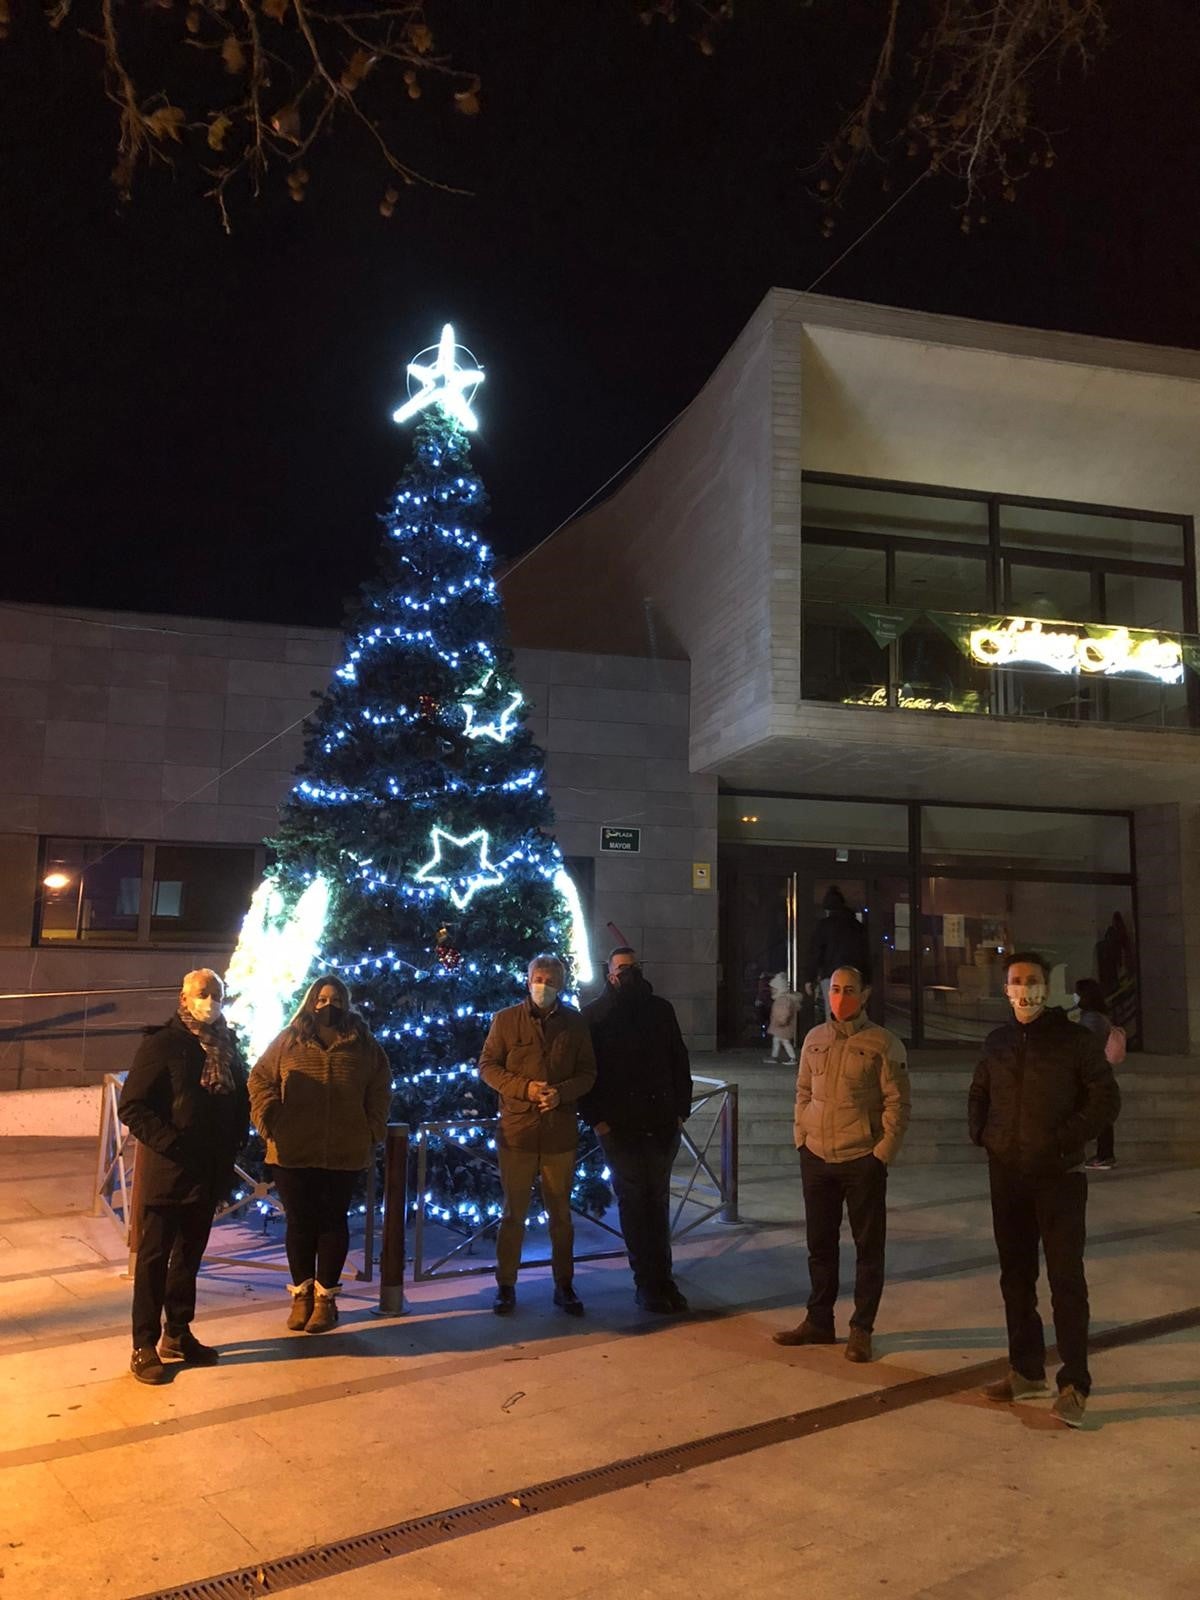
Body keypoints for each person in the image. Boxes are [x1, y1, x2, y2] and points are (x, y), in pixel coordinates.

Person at [969, 952, 1120, 1429]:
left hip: (1059, 1178)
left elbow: (1105, 1098)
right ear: (1006, 987)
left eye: (1032, 980)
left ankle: (1074, 1383)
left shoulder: (1074, 1040)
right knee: (1016, 1279)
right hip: (1007, 1175)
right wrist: (985, 1135)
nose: (1024, 988)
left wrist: (1063, 1140)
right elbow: (979, 1091)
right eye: (1016, 980)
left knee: (1065, 1281)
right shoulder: (998, 1041)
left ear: (1046, 987)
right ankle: (1026, 1370)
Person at [118, 968, 249, 1384]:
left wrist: (235, 1143)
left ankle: (177, 1332)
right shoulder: (163, 1043)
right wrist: (172, 1143)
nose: (210, 1001)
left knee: (188, 1259)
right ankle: (143, 1344)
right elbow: (133, 1106)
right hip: (168, 1172)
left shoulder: (228, 1047)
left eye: (216, 994)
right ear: (185, 996)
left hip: (208, 1174)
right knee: (154, 1260)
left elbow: (238, 1099)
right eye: (202, 993)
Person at [774, 965, 910, 1362]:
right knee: (820, 1244)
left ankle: (861, 1328)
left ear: (865, 994)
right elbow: (802, 1091)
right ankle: (818, 1320)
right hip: (816, 1157)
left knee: (869, 1248)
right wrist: (801, 1137)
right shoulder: (814, 1039)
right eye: (834, 989)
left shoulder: (884, 1044)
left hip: (860, 1158)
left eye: (849, 989)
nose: (841, 997)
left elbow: (897, 1104)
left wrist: (881, 1153)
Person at [249, 975, 391, 1333]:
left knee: (332, 1222)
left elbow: (380, 1086)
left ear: (346, 1002)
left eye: (337, 998)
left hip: (343, 1149)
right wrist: (270, 1120)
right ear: (312, 1001)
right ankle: (301, 1295)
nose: (330, 1005)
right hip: (292, 1149)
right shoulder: (288, 1039)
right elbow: (260, 1079)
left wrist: (371, 1128)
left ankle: (326, 1299)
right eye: (323, 998)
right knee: (299, 1223)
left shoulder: (363, 1044)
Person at [478, 954, 596, 1316]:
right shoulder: (505, 1020)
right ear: (528, 980)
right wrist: (526, 1089)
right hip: (518, 1132)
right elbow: (488, 1066)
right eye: (538, 977)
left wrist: (562, 1093)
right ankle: (506, 1285)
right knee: (513, 1213)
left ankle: (564, 1284)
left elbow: (588, 1072)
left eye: (550, 979)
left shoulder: (575, 1023)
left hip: (558, 1132)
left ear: (560, 983)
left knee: (560, 1213)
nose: (542, 984)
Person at [581, 946, 693, 1314]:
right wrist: (597, 1119)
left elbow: (678, 1058)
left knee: (657, 1202)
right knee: (634, 1201)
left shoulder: (660, 1010)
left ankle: (664, 1279)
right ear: (608, 973)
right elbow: (588, 1072)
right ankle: (646, 1282)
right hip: (619, 1127)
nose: (625, 974)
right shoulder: (596, 1014)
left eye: (631, 968)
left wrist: (680, 1110)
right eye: (619, 969)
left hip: (661, 1123)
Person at [804, 886, 870, 1021]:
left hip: (831, 974)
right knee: (853, 1013)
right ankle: (853, 1039)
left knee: (834, 1011)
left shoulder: (824, 925)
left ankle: (837, 1040)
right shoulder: (856, 926)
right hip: (854, 975)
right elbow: (865, 953)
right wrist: (868, 979)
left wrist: (810, 977)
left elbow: (816, 952)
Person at [1074, 978, 1119, 1170]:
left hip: (1091, 1071)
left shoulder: (1092, 1018)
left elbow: (1084, 1043)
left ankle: (1104, 1155)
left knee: (1099, 1113)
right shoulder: (1098, 1016)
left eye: (1077, 992)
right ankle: (1104, 1154)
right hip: (1096, 1069)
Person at [764, 971, 799, 1064]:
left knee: (784, 1042)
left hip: (782, 1026)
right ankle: (774, 1056)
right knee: (777, 1040)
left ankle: (792, 1057)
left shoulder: (783, 1000)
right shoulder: (783, 999)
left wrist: (782, 1021)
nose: (772, 990)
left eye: (774, 988)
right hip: (780, 1026)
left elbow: (784, 1012)